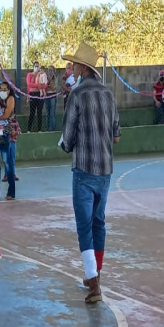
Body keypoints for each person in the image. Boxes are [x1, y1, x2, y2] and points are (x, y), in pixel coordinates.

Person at [59, 42, 120, 304]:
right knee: (98, 223)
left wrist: (65, 144)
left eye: (74, 64)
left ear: (82, 68)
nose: (72, 68)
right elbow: (116, 136)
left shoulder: (77, 94)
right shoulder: (108, 94)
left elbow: (68, 139)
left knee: (84, 226)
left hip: (83, 169)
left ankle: (93, 281)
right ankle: (96, 274)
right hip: (105, 170)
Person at [0, 81, 19, 200]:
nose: (2, 91)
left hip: (8, 132)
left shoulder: (10, 99)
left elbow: (7, 115)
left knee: (9, 161)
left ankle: (11, 192)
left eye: (4, 89)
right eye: (0, 89)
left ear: (8, 90)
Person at [25, 61, 44, 132]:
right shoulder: (30, 75)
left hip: (40, 94)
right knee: (32, 112)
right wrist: (37, 85)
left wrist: (40, 86)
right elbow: (29, 84)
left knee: (39, 112)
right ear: (33, 67)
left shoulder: (41, 75)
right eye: (35, 66)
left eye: (37, 66)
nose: (37, 67)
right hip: (32, 94)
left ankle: (39, 129)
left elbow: (44, 85)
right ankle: (29, 129)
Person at [45, 66, 58, 131]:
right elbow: (45, 88)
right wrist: (48, 84)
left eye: (51, 70)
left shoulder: (55, 78)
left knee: (52, 113)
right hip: (47, 96)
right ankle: (47, 129)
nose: (50, 72)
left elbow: (53, 88)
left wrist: (51, 80)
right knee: (47, 113)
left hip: (53, 96)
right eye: (49, 70)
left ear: (54, 71)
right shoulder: (45, 77)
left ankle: (54, 129)